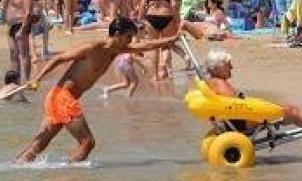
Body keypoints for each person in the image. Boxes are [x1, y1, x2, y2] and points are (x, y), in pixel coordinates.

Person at [15, 18, 180, 163]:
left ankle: (17, 166)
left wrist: (172, 39)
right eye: (128, 36)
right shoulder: (93, 47)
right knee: (88, 142)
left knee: (40, 144)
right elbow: (59, 58)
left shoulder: (118, 50)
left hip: (60, 98)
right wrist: (37, 77)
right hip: (62, 97)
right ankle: (71, 175)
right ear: (116, 34)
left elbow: (146, 45)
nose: (131, 41)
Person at [202, 49, 302, 128]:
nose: (232, 68)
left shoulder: (213, 82)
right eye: (228, 66)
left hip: (241, 118)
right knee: (292, 112)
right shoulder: (220, 83)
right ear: (217, 68)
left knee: (290, 110)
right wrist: (260, 109)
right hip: (243, 121)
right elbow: (235, 105)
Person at [139, 0, 179, 80]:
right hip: (166, 15)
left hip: (151, 16)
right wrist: (177, 20)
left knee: (153, 47)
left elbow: (143, 4)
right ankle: (163, 68)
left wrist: (139, 19)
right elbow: (174, 5)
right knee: (166, 45)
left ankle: (155, 75)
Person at [3, 0, 34, 84]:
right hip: (11, 26)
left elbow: (28, 12)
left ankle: (26, 80)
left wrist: (22, 29)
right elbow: (4, 5)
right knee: (13, 53)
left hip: (21, 24)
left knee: (24, 54)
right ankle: (15, 80)